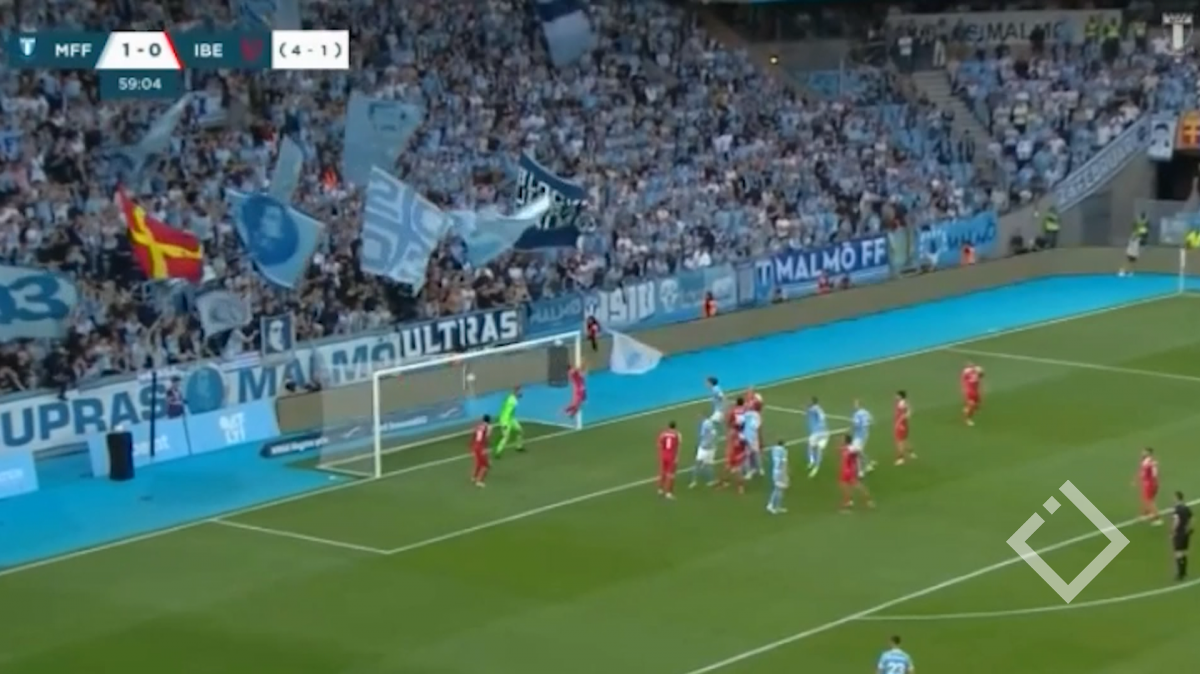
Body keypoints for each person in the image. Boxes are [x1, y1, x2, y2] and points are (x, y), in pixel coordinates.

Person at [840, 434, 874, 510]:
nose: (841, 440)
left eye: (842, 439)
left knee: (857, 485)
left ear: (846, 440)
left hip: (850, 471)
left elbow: (858, 454)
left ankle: (868, 500)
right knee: (844, 485)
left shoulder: (851, 449)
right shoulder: (844, 448)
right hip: (845, 470)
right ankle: (849, 501)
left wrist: (865, 462)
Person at [690, 412, 720, 488]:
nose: (698, 418)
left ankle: (694, 481)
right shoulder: (710, 423)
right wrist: (714, 443)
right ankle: (711, 480)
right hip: (712, 448)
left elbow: (702, 436)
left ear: (702, 416)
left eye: (699, 417)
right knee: (709, 465)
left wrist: (698, 445)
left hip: (704, 447)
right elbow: (715, 434)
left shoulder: (704, 424)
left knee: (697, 464)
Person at [494, 387, 524, 457]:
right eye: (520, 392)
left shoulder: (510, 397)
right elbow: (506, 412)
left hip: (511, 419)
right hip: (505, 420)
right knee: (506, 437)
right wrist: (504, 423)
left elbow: (504, 406)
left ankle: (519, 447)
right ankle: (498, 451)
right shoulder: (513, 401)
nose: (521, 393)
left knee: (520, 431)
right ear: (516, 392)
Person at [851, 400, 876, 477]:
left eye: (855, 404)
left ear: (859, 405)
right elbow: (872, 421)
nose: (854, 406)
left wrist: (851, 428)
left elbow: (856, 425)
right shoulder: (866, 412)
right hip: (865, 434)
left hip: (858, 436)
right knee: (859, 451)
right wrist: (866, 426)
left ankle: (861, 471)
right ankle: (867, 464)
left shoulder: (856, 414)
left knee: (856, 452)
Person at [1171, 491, 1192, 581]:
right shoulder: (1186, 508)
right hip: (1186, 533)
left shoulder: (1177, 509)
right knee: (1184, 552)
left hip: (1179, 533)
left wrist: (1173, 530)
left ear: (1177, 498)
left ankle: (1180, 574)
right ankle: (1184, 572)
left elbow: (1177, 520)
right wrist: (1189, 528)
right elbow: (1192, 518)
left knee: (1178, 553)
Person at [1137, 448, 1161, 525]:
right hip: (1147, 483)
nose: (1142, 453)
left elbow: (1154, 474)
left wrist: (1154, 483)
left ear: (1149, 453)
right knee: (1145, 499)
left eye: (1144, 452)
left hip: (1150, 483)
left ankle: (1156, 518)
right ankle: (1145, 513)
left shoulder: (1150, 462)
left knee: (1150, 501)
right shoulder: (1145, 461)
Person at [806, 396, 829, 478]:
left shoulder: (813, 408)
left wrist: (807, 407)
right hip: (825, 432)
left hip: (817, 432)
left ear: (813, 402)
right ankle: (816, 466)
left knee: (810, 445)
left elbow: (808, 410)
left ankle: (812, 461)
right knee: (819, 449)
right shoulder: (820, 409)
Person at [658, 421, 681, 499]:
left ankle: (660, 489)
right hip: (672, 456)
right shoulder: (677, 434)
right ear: (675, 427)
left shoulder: (663, 433)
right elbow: (678, 446)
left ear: (668, 426)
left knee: (663, 472)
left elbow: (659, 444)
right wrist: (677, 457)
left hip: (664, 455)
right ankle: (668, 492)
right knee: (671, 475)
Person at [767, 440, 789, 515]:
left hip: (775, 471)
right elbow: (783, 463)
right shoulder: (784, 451)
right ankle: (772, 505)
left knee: (778, 489)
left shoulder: (774, 449)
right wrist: (785, 473)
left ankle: (776, 506)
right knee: (779, 489)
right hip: (780, 472)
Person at [894, 390, 914, 465]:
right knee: (904, 440)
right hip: (904, 424)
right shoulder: (904, 402)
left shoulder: (901, 403)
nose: (895, 396)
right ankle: (911, 452)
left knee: (900, 442)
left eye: (897, 395)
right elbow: (909, 409)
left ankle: (901, 458)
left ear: (900, 396)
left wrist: (905, 416)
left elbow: (908, 412)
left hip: (901, 425)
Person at [470, 415, 491, 487]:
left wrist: (471, 445)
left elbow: (474, 435)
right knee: (486, 466)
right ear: (489, 420)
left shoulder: (478, 426)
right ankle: (479, 481)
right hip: (481, 447)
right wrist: (486, 448)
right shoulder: (488, 427)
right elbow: (486, 438)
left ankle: (473, 477)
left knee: (478, 463)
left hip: (475, 445)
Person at [961, 362, 983, 426]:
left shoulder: (976, 372)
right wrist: (972, 368)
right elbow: (965, 373)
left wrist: (979, 371)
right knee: (972, 405)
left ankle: (967, 409)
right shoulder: (966, 371)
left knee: (976, 406)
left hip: (976, 391)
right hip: (969, 391)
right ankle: (967, 419)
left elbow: (982, 375)